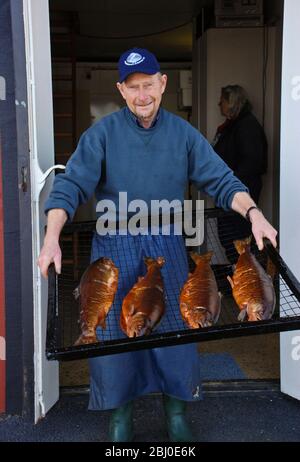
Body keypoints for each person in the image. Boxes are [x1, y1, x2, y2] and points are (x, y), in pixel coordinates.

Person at [38, 48, 277, 442]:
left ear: (162, 84)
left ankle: (177, 411)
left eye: (148, 84)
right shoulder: (101, 134)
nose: (142, 95)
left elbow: (222, 179)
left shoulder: (183, 135)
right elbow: (70, 186)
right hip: (113, 249)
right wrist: (51, 238)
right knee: (114, 337)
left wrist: (254, 214)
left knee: (178, 329)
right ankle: (120, 419)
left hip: (166, 244)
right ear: (121, 89)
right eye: (133, 87)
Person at [211, 84, 268, 264]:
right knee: (229, 240)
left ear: (232, 102)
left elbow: (252, 161)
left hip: (239, 194)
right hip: (228, 194)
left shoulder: (246, 126)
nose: (219, 104)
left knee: (237, 240)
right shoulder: (232, 126)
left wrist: (229, 185)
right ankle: (239, 275)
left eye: (222, 101)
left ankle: (245, 279)